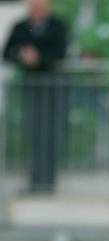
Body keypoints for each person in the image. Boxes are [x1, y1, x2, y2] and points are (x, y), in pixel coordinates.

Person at [2, 0, 68, 193]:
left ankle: (47, 181)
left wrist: (38, 58)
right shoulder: (20, 27)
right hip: (30, 89)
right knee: (33, 133)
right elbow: (7, 52)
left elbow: (60, 52)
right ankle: (35, 181)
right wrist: (21, 55)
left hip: (52, 90)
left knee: (49, 134)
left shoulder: (58, 26)